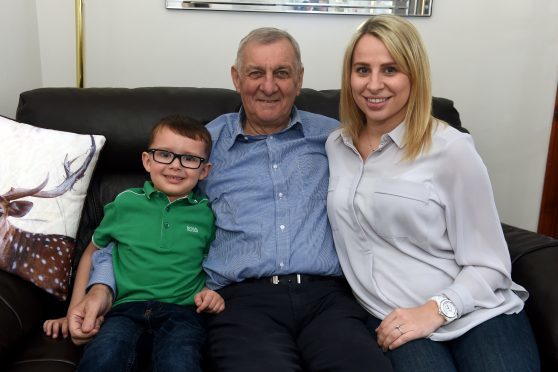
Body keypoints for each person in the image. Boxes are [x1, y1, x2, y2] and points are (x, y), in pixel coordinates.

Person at [67, 27, 393, 372]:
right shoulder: (201, 148)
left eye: (281, 73)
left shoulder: (337, 139)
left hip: (328, 298)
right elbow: (139, 226)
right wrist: (99, 288)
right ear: (237, 79)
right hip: (242, 302)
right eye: (256, 73)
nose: (268, 86)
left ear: (298, 80)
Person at [326, 14, 540, 371]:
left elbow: (490, 263)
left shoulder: (451, 149)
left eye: (390, 69)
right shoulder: (335, 145)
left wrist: (436, 310)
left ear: (414, 75)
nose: (374, 84)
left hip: (475, 310)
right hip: (393, 317)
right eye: (362, 70)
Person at [44, 115, 224, 371]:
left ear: (204, 170)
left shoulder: (206, 214)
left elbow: (212, 265)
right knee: (103, 357)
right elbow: (91, 254)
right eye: (165, 154)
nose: (176, 166)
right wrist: (74, 309)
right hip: (123, 309)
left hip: (182, 312)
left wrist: (211, 294)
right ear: (147, 161)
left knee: (180, 362)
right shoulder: (126, 203)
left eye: (190, 159)